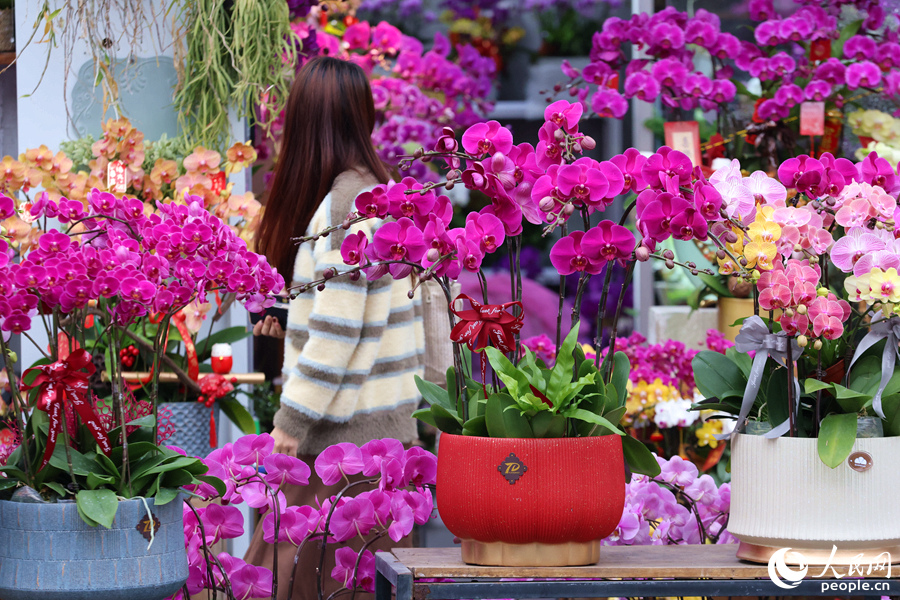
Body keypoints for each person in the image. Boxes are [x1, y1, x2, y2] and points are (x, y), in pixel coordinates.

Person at [246, 55, 425, 600]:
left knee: (287, 582)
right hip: (382, 443)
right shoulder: (378, 194)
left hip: (341, 451)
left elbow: (338, 330)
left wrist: (291, 422)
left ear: (305, 122)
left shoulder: (347, 206)